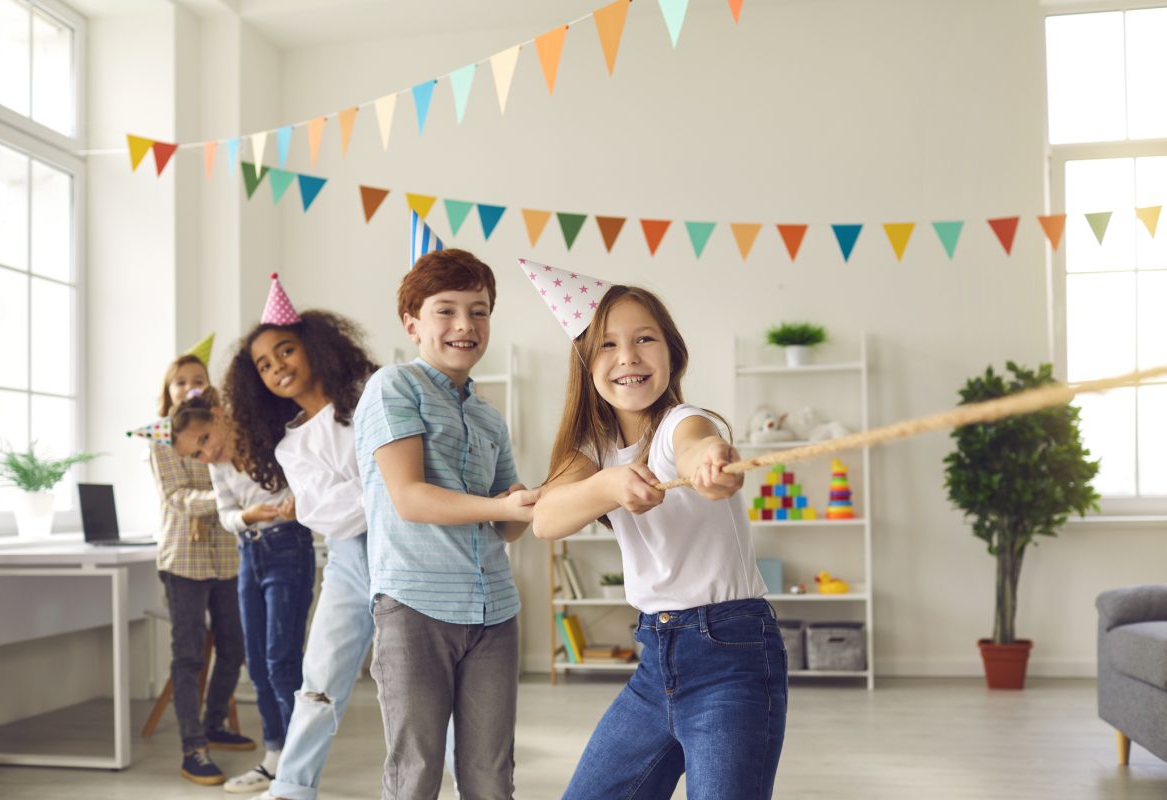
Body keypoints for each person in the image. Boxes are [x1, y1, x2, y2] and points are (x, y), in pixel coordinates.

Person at [525, 263, 788, 800]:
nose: (628, 357)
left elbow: (699, 448)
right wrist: (609, 485)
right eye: (608, 345)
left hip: (730, 654)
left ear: (672, 352)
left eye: (645, 339)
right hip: (655, 660)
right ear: (586, 365)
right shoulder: (593, 453)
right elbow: (546, 519)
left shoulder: (682, 423)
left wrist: (711, 460)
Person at [354, 248, 536, 799]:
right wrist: (505, 506)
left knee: (490, 775)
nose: (465, 325)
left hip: (494, 613)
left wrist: (536, 502)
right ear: (412, 323)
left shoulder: (489, 416)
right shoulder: (393, 387)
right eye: (446, 310)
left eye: (478, 311)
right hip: (414, 607)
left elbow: (507, 523)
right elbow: (410, 498)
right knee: (416, 773)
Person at [225, 274, 378, 800]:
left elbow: (389, 484)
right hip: (349, 563)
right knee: (320, 677)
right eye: (264, 366)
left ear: (313, 346)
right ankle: (291, 787)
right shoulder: (290, 444)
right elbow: (328, 516)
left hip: (409, 551)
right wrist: (376, 490)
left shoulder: (370, 402)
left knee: (420, 681)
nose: (277, 368)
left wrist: (368, 491)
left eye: (284, 351)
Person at [170, 386, 315, 794]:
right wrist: (246, 516)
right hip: (249, 554)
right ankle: (275, 756)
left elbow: (306, 480)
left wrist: (295, 502)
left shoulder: (266, 438)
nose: (206, 454)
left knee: (281, 661)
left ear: (218, 415)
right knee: (256, 661)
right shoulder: (218, 467)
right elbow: (227, 513)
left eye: (205, 440)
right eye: (196, 454)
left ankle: (299, 761)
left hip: (288, 547)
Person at [135, 348, 253, 786]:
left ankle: (215, 723)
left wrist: (220, 504)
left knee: (234, 647)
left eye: (197, 379)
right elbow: (178, 497)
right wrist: (224, 502)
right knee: (187, 655)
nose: (190, 387)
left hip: (227, 554)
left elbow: (234, 473)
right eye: (180, 381)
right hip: (182, 557)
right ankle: (193, 747)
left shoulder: (222, 423)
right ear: (168, 391)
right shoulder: (161, 436)